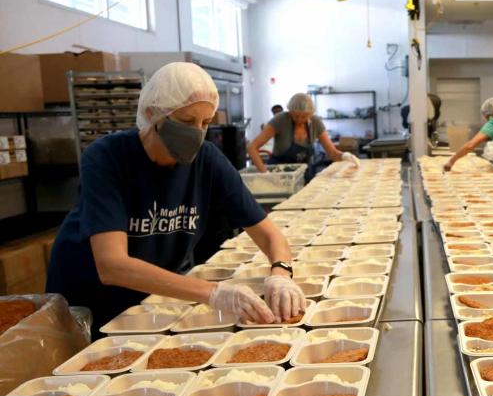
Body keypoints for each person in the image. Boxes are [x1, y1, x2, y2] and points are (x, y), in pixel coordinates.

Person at [46, 63, 306, 335]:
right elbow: (112, 265)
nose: (196, 132)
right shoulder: (108, 157)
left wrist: (280, 274)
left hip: (151, 296)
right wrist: (213, 292)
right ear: (152, 114)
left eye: (205, 123)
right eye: (185, 122)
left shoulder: (208, 160)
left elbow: (269, 235)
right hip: (91, 302)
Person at [247, 93, 358, 178]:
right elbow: (252, 147)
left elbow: (332, 153)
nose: (299, 120)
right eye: (295, 116)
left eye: (304, 117)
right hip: (279, 175)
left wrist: (344, 156)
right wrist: (265, 174)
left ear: (311, 114)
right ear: (290, 111)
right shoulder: (280, 120)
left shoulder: (315, 123)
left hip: (303, 175)